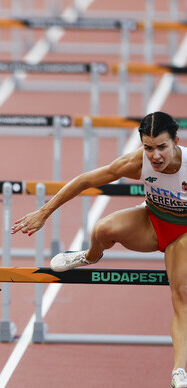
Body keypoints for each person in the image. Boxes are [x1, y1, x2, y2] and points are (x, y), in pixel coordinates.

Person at [10, 111, 187, 387]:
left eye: (162, 147)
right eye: (148, 148)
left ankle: (178, 371)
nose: (156, 156)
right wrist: (44, 213)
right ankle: (88, 257)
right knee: (103, 229)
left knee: (181, 295)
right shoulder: (136, 162)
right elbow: (85, 181)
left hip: (183, 235)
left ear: (176, 141)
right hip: (151, 223)